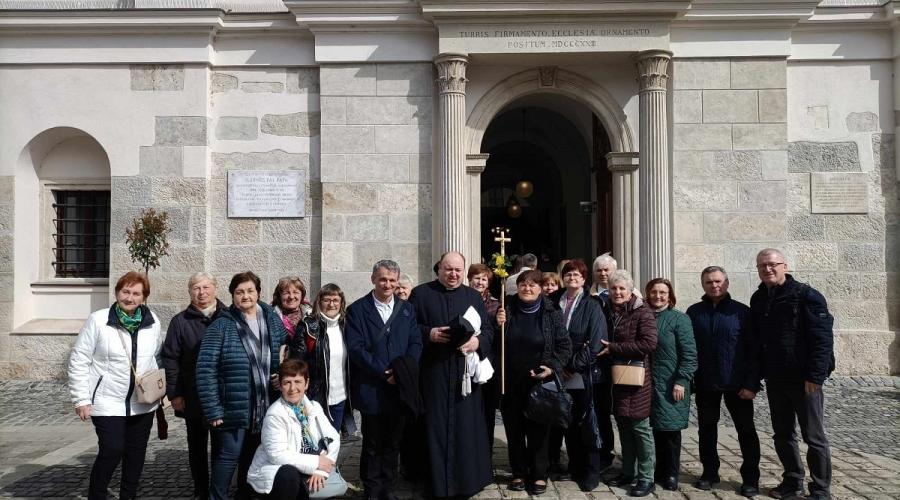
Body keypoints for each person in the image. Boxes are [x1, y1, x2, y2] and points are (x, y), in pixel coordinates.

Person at [68, 271, 162, 500]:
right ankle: (97, 494)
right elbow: (79, 358)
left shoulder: (153, 321)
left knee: (136, 453)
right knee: (112, 449)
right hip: (107, 400)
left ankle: (128, 496)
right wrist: (81, 399)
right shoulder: (99, 320)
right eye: (125, 291)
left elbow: (155, 356)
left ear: (144, 297)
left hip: (142, 403)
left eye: (136, 293)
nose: (130, 297)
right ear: (117, 292)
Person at [408, 251, 494, 499]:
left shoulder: (472, 296)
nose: (453, 274)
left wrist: (477, 342)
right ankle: (432, 482)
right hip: (434, 373)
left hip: (463, 374)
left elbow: (487, 329)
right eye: (448, 269)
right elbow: (411, 327)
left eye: (458, 270)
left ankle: (467, 482)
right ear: (439, 269)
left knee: (466, 428)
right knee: (433, 428)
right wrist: (430, 334)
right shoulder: (421, 294)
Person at [749, 249, 834, 500]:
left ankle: (820, 489)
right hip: (776, 378)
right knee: (783, 434)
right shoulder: (759, 298)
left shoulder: (807, 296)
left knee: (814, 437)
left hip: (804, 380)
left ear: (784, 266)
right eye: (763, 266)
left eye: (773, 264)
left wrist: (816, 376)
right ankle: (792, 480)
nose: (768, 269)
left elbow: (822, 340)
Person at [197, 271, 286, 500]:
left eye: (250, 291)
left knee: (254, 454)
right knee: (229, 455)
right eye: (239, 292)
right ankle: (217, 496)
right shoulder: (221, 326)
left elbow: (284, 350)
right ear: (232, 296)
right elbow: (205, 369)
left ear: (258, 293)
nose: (245, 296)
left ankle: (245, 494)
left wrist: (280, 374)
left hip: (265, 403)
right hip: (233, 404)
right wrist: (213, 409)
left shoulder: (271, 319)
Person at [345, 260, 423, 500]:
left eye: (392, 280)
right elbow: (356, 349)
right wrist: (383, 372)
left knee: (392, 442)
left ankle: (387, 487)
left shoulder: (407, 309)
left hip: (399, 387)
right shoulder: (357, 309)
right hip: (372, 387)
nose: (387, 284)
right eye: (383, 279)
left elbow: (416, 343)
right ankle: (372, 488)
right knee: (372, 442)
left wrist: (403, 372)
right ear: (373, 280)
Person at [494, 270, 572, 495]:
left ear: (540, 288)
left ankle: (539, 474)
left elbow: (564, 346)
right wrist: (498, 323)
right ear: (516, 287)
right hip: (511, 380)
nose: (527, 289)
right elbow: (494, 342)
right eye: (523, 285)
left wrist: (552, 367)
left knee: (539, 430)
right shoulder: (505, 308)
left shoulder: (550, 312)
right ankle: (518, 472)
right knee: (514, 429)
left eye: (532, 285)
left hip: (539, 381)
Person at [686, 266, 761, 497]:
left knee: (746, 432)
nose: (714, 285)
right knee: (707, 431)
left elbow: (754, 351)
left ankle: (750, 478)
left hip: (737, 384)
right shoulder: (694, 312)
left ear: (727, 283)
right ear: (703, 285)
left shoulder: (742, 312)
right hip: (706, 382)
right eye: (709, 282)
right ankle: (709, 472)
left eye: (718, 281)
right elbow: (690, 349)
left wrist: (752, 383)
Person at [162, 272, 226, 500]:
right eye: (196, 288)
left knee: (222, 447)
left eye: (206, 287)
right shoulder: (180, 321)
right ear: (190, 292)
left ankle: (219, 489)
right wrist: (175, 393)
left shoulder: (228, 316)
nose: (202, 292)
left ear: (215, 289)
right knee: (197, 447)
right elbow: (170, 358)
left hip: (222, 394)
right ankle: (201, 489)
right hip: (192, 394)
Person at [545, 259, 607, 491]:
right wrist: (558, 366)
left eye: (577, 275)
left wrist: (574, 367)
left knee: (585, 422)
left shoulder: (592, 305)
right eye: (568, 274)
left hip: (582, 373)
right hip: (556, 372)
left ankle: (589, 471)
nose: (572, 278)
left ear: (584, 279)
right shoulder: (552, 300)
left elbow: (596, 342)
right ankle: (570, 465)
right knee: (563, 420)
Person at [247, 359, 341, 500]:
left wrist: (321, 470)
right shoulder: (275, 414)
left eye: (298, 382)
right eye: (287, 382)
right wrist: (316, 462)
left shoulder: (314, 407)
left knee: (321, 486)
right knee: (289, 474)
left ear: (306, 383)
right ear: (280, 385)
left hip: (308, 467)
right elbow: (277, 455)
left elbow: (334, 438)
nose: (292, 388)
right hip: (276, 472)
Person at [600, 270, 658, 498]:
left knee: (640, 429)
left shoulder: (642, 313)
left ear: (630, 290)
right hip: (617, 378)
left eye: (622, 288)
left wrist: (615, 348)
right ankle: (627, 471)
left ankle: (646, 477)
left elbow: (649, 344)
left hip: (636, 378)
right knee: (624, 426)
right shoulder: (609, 311)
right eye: (614, 288)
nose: (617, 292)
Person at [645, 278, 697, 492]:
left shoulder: (679, 319)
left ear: (670, 295)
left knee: (671, 431)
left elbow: (690, 354)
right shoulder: (643, 316)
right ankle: (657, 470)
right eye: (654, 292)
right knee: (654, 429)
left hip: (671, 383)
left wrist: (682, 380)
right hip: (648, 383)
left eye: (663, 292)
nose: (658, 296)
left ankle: (671, 473)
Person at [286, 284, 350, 432]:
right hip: (315, 397)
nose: (332, 304)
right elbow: (296, 364)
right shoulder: (308, 327)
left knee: (333, 440)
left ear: (341, 302)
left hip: (340, 396)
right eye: (327, 300)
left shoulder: (346, 325)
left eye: (335, 300)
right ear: (319, 302)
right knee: (315, 442)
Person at [467, 263, 502, 451]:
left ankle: (485, 451)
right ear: (469, 279)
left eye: (484, 279)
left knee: (486, 410)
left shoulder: (496, 305)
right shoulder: (462, 298)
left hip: (486, 361)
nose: (480, 282)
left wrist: (499, 323)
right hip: (464, 360)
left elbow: (498, 337)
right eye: (477, 278)